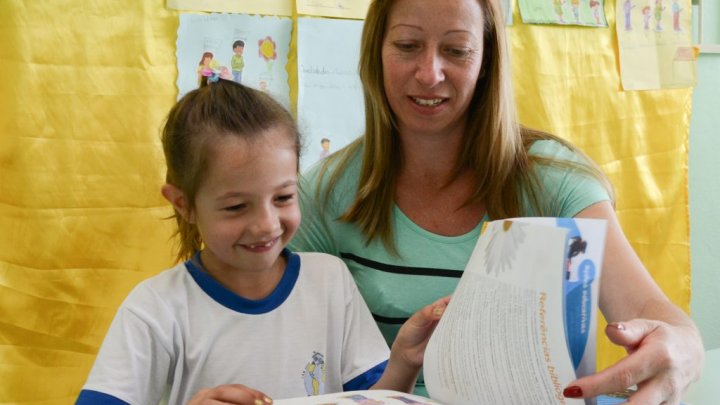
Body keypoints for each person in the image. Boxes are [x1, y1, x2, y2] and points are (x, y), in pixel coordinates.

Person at [290, 0, 704, 403]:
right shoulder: (327, 193)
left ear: (486, 59)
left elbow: (658, 317)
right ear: (376, 51)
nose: (430, 73)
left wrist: (682, 349)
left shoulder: (554, 181)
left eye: (456, 51)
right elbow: (279, 344)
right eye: (407, 46)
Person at [74, 79, 450, 405]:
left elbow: (375, 397)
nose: (266, 224)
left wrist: (404, 360)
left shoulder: (329, 281)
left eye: (284, 197)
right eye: (237, 206)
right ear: (184, 204)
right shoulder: (156, 309)